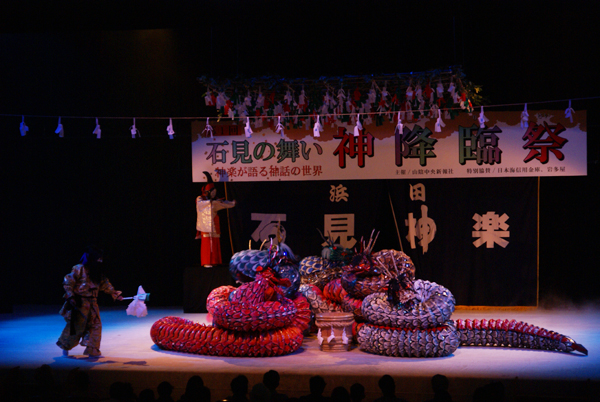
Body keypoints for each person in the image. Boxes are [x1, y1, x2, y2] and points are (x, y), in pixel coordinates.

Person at [56, 246, 123, 357]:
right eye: (98, 258)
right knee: (77, 327)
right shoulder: (78, 269)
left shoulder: (97, 271)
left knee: (96, 326)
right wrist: (71, 297)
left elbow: (104, 284)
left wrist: (113, 292)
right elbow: (68, 282)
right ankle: (66, 345)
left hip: (92, 303)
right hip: (80, 303)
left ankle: (92, 349)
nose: (100, 260)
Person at [195, 173, 236, 268]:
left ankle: (215, 261)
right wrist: (213, 201)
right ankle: (207, 262)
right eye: (210, 192)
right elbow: (203, 204)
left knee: (215, 244)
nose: (213, 194)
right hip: (205, 226)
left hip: (214, 225)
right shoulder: (200, 199)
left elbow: (223, 204)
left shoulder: (215, 201)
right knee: (207, 244)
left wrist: (232, 203)